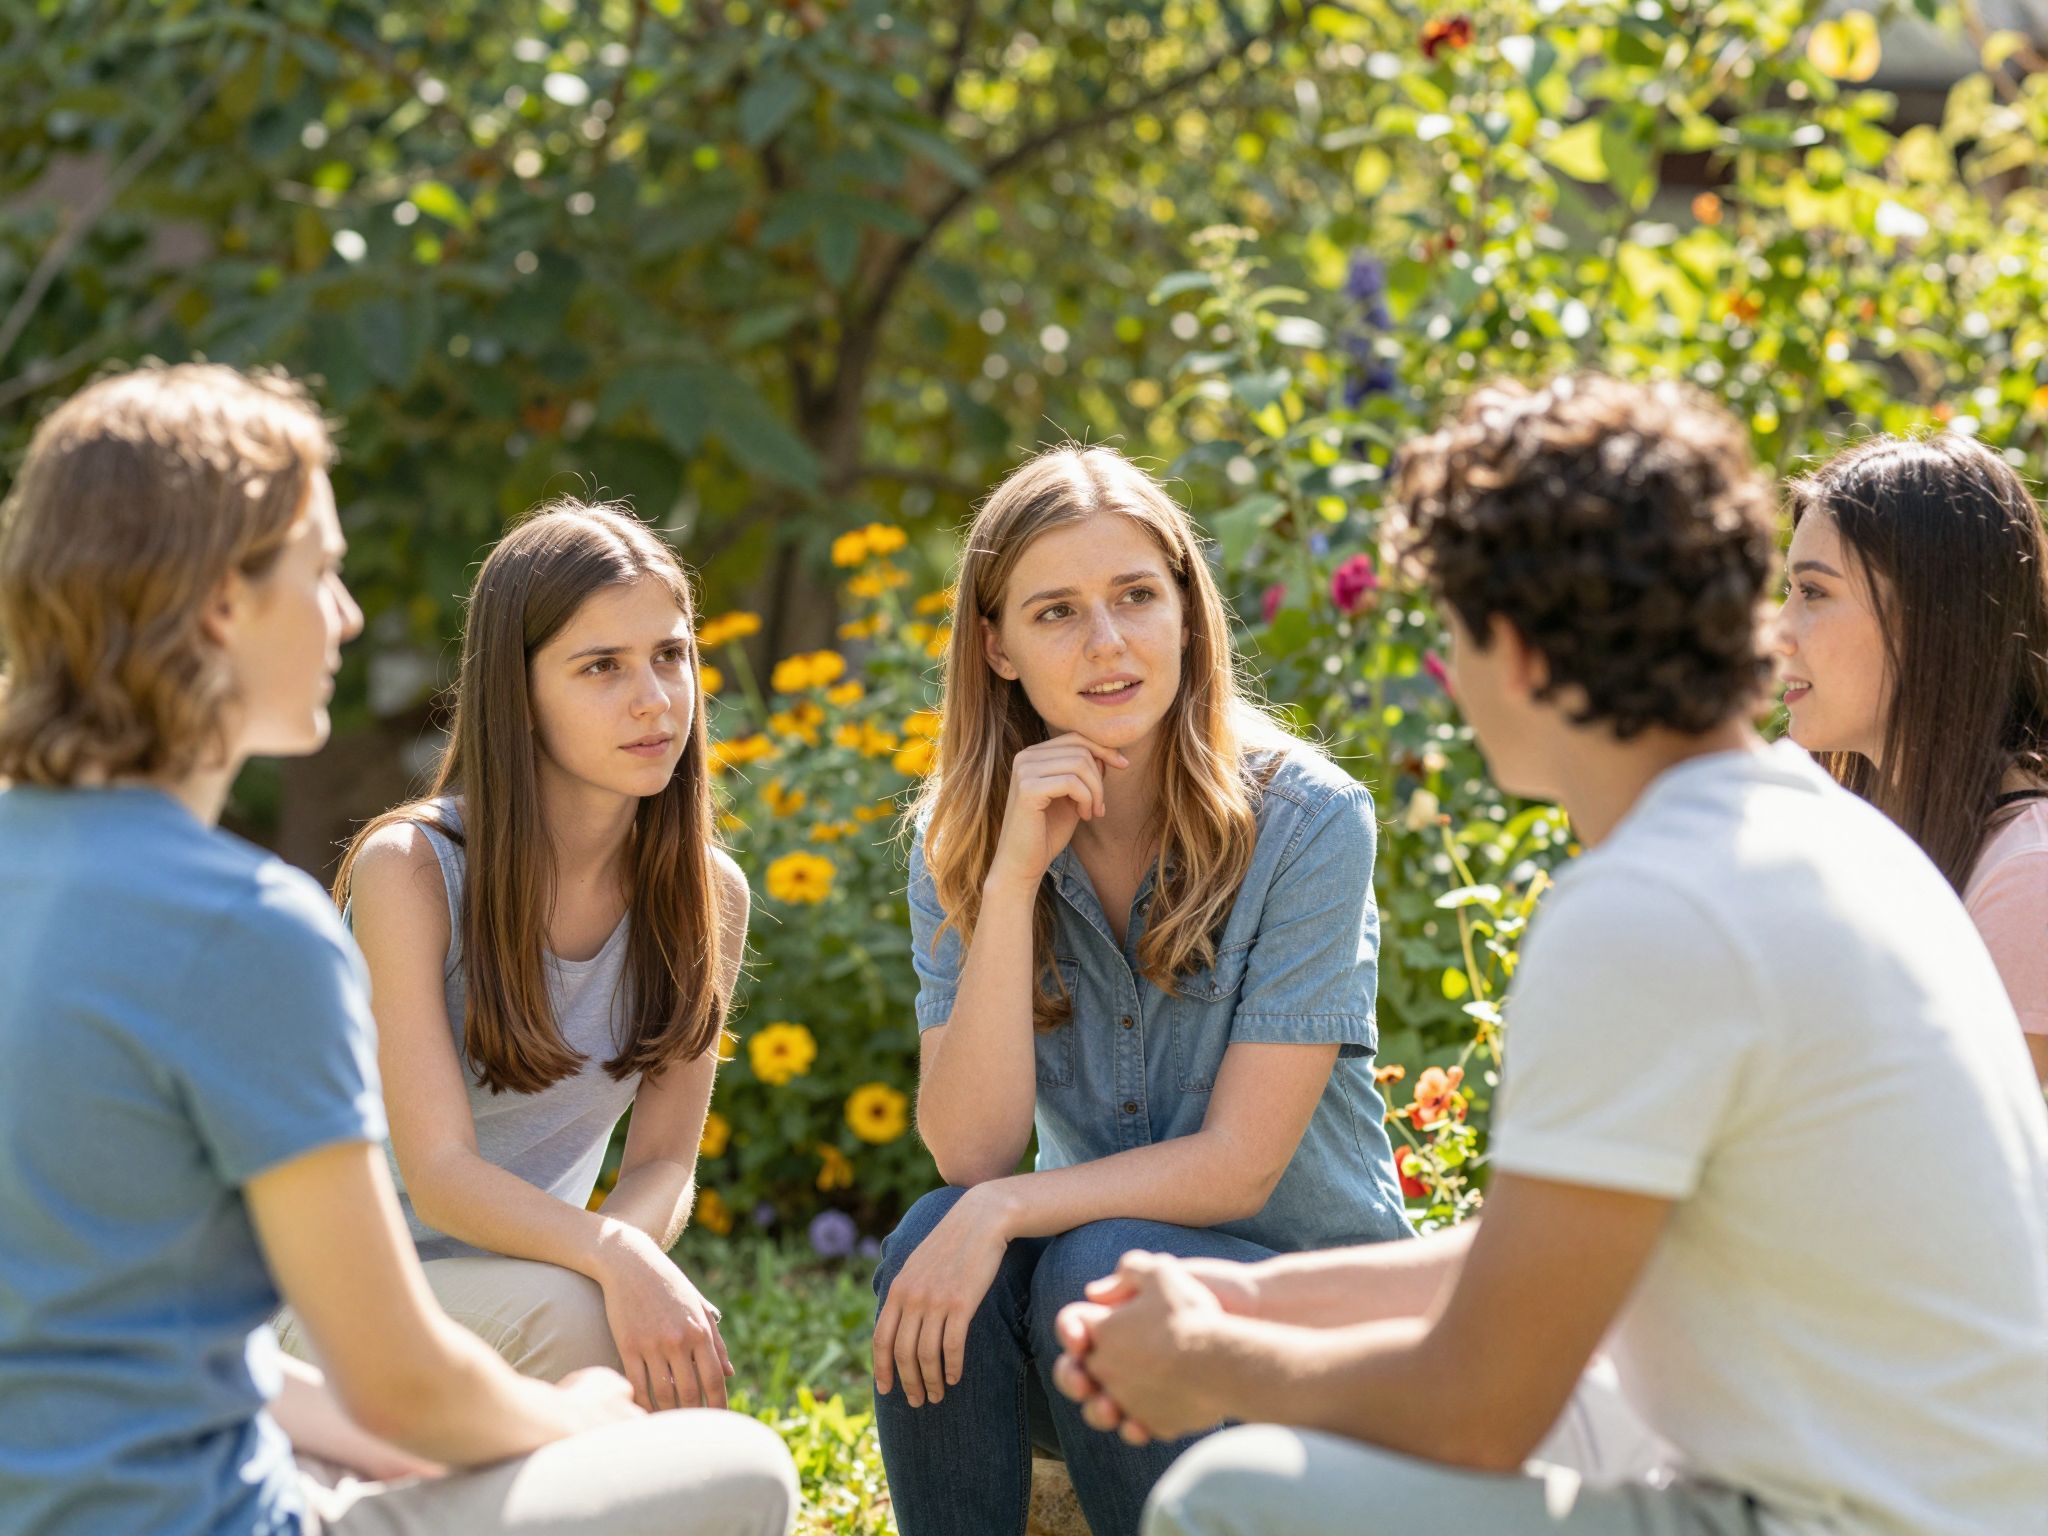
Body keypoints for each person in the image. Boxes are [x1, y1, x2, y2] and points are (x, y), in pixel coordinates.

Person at [1050, 376, 2048, 1536]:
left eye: (1453, 633)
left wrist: (1213, 1364)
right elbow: (1542, 1248)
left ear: (1517, 652)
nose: (1451, 677)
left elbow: (1478, 1408)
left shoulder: (1649, 905)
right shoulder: (1823, 833)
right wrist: (1248, 1297)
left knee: (1231, 1497)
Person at [0, 363, 797, 1535]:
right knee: (741, 1470)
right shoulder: (255, 924)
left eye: (671, 656)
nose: (350, 614)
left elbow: (152, 1328)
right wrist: (581, 1422)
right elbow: (396, 1371)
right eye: (322, 571)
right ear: (224, 601)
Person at [872, 444, 1413, 1536]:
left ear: (1185, 614)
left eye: (1135, 597)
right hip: (1101, 1324)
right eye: (1057, 611)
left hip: (1307, 1332)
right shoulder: (966, 840)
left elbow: (1237, 1164)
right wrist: (1013, 876)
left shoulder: (1308, 823)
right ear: (998, 648)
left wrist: (1007, 1207)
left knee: (1095, 1262)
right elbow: (969, 1154)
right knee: (935, 1237)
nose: (1108, 642)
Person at [293, 500, 742, 1413]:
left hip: (535, 1280)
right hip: (327, 1298)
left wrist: (628, 1268)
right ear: (518, 691)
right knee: (590, 1326)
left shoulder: (708, 895)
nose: (655, 698)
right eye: (600, 668)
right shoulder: (412, 872)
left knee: (654, 1355)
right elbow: (440, 1176)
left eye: (670, 654)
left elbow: (663, 1163)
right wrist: (611, 1265)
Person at [1776, 432, 2048, 1083]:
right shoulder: (1860, 837)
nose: (1776, 630)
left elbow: (1971, 1176)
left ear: (1929, 618)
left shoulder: (2028, 880)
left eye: (1813, 593)